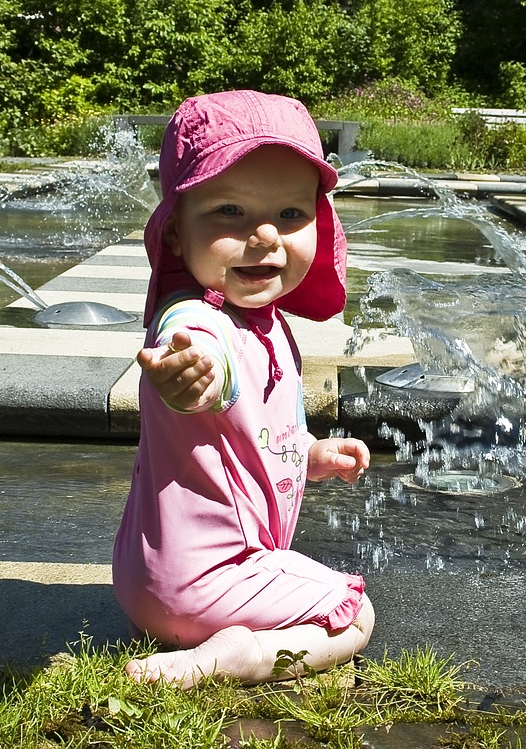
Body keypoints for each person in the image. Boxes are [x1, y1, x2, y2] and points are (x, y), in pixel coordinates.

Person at [112, 89, 374, 688]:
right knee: (355, 613)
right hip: (209, 584)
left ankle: (198, 634)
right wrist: (188, 377)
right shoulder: (198, 323)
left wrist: (310, 455)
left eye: (290, 215)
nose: (264, 236)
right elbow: (202, 366)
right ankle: (244, 657)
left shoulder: (270, 324)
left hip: (146, 581)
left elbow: (250, 434)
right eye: (229, 211)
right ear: (176, 233)